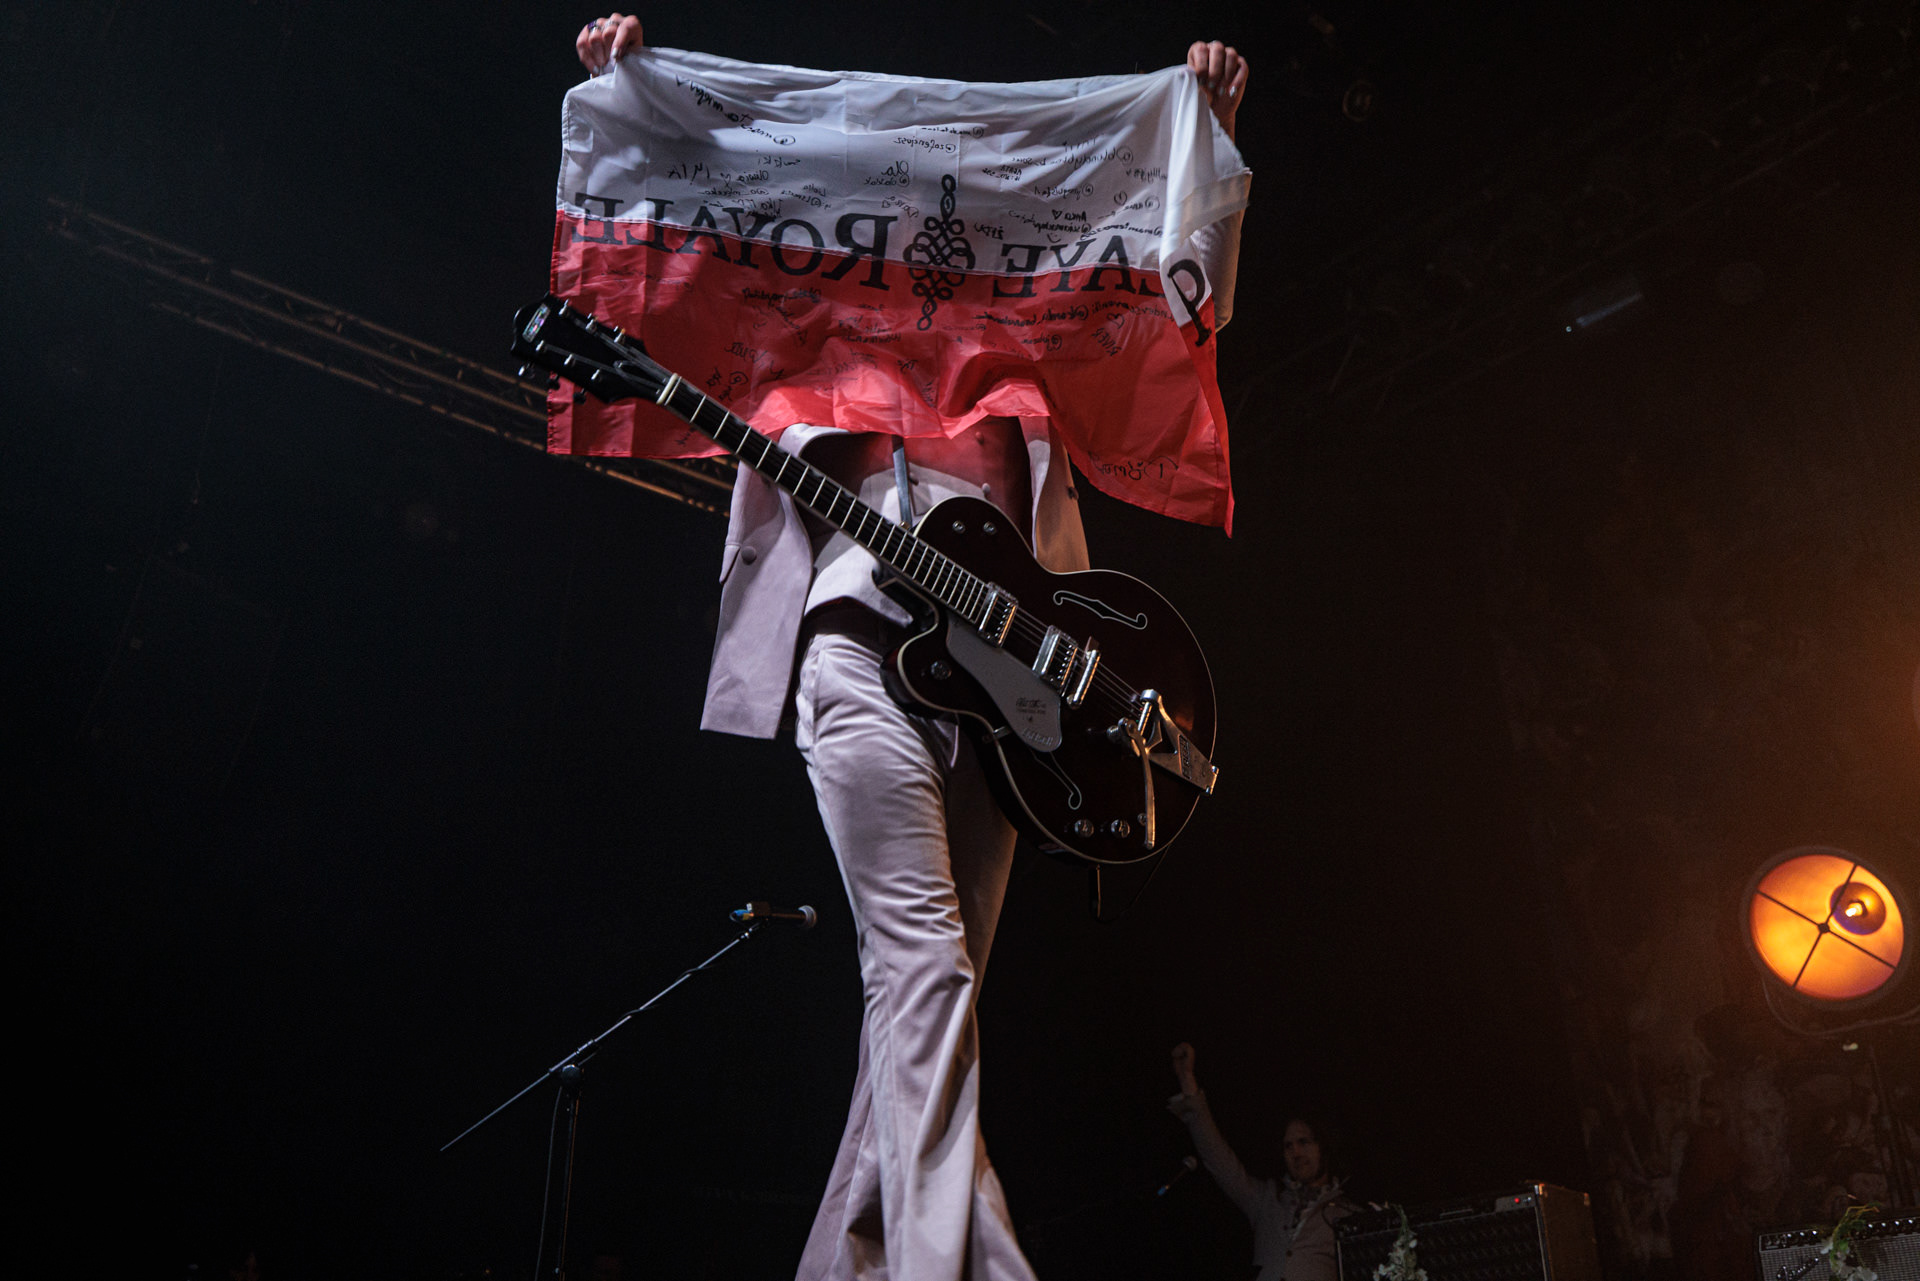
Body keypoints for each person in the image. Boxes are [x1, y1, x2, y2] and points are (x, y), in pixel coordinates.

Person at [572, 18, 1250, 1280]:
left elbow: (1173, 302)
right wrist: (633, 98)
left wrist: (1201, 144)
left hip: (1015, 704)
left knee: (926, 1005)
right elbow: (680, 255)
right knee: (925, 975)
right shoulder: (813, 335)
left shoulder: (1032, 358)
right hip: (861, 656)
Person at [1167, 1043, 1358, 1281]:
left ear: (1323, 1147)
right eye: (1288, 1146)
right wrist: (1187, 1080)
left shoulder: (1348, 1214)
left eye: (1304, 1142)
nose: (1296, 1152)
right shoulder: (1267, 1201)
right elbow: (1218, 1159)